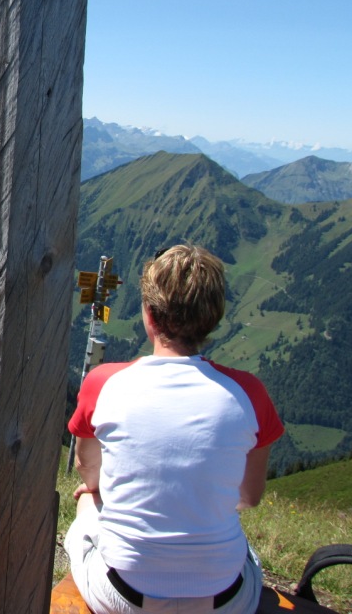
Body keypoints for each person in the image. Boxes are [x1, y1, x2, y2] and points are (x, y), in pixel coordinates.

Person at [65, 244, 284, 614]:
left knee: (88, 501)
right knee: (244, 551)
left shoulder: (104, 383)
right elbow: (249, 495)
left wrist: (95, 493)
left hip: (122, 598)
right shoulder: (249, 393)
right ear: (214, 319)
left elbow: (88, 470)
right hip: (227, 603)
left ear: (149, 315)